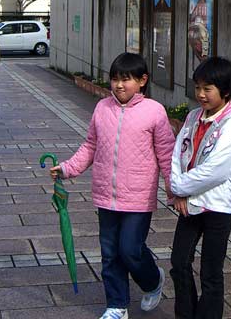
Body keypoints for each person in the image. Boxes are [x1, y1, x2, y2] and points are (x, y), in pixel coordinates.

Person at [50, 53, 175, 319]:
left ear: (142, 81)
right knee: (109, 254)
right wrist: (67, 168)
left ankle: (153, 281)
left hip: (139, 197)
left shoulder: (154, 111)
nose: (119, 85)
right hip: (106, 195)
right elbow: (91, 146)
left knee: (130, 250)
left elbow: (166, 152)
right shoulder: (102, 108)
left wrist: (173, 187)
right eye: (115, 79)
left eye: (126, 79)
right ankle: (117, 305)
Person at [170, 56, 231, 319]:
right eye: (198, 88)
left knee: (211, 272)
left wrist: (180, 189)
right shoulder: (194, 116)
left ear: (225, 91)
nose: (201, 94)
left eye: (208, 89)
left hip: (217, 207)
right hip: (189, 202)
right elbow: (177, 153)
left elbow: (214, 172)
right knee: (179, 262)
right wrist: (178, 189)